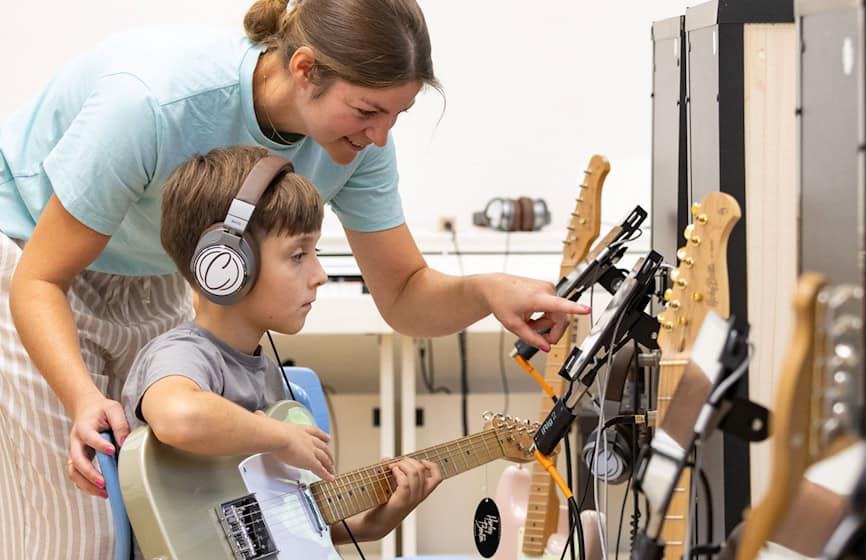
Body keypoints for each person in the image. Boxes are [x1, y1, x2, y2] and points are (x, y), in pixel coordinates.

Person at [0, 0, 589, 557]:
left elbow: (406, 294)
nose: (380, 137)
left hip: (155, 267)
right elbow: (39, 281)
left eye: (395, 115)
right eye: (366, 111)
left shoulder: (358, 143)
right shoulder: (152, 102)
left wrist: (487, 292)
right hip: (32, 258)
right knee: (85, 536)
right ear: (304, 69)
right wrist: (80, 398)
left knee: (177, 519)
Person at [120, 146, 441, 549]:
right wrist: (281, 437)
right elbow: (178, 415)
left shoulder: (266, 377)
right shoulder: (185, 353)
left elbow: (281, 523)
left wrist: (376, 522)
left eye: (315, 254)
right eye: (298, 255)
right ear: (229, 265)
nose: (320, 275)